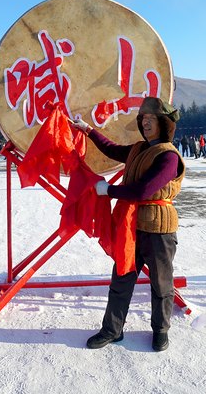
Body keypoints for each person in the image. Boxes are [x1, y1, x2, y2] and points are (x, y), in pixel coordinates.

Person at [71, 97, 185, 352]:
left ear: (164, 124)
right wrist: (88, 130)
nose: (145, 123)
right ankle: (112, 329)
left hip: (160, 232)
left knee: (161, 283)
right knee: (121, 279)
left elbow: (143, 190)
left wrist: (108, 190)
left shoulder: (169, 157)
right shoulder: (137, 149)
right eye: (143, 119)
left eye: (151, 119)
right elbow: (111, 149)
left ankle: (161, 330)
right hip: (132, 228)